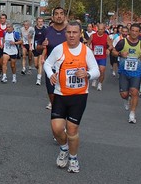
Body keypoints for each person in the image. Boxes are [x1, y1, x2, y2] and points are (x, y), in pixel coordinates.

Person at [43, 21, 99, 173]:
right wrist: (51, 75)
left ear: (80, 33)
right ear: (65, 33)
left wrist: (87, 74)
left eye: (75, 32)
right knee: (56, 129)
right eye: (69, 32)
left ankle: (73, 159)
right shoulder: (59, 49)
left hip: (79, 96)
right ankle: (64, 148)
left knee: (72, 130)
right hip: (60, 94)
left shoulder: (86, 51)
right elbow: (47, 64)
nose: (71, 35)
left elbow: (96, 70)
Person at [112, 23, 141, 123]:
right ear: (129, 31)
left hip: (136, 73)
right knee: (124, 94)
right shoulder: (122, 42)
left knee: (134, 92)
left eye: (137, 31)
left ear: (139, 33)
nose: (134, 33)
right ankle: (126, 99)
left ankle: (132, 114)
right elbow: (113, 52)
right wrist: (120, 53)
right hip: (124, 72)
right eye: (132, 30)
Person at [42, 7, 68, 109]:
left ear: (64, 16)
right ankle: (58, 113)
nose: (59, 16)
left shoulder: (69, 31)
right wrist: (42, 45)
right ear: (53, 17)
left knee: (66, 96)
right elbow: (38, 48)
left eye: (61, 13)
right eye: (56, 14)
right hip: (51, 68)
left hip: (67, 67)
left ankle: (63, 118)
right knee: (52, 96)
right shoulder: (47, 31)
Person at [87, 23, 112, 91]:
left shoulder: (106, 37)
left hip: (102, 56)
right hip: (94, 56)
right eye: (99, 29)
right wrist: (90, 49)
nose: (100, 31)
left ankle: (100, 84)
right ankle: (95, 79)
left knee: (102, 70)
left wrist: (108, 49)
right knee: (95, 69)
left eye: (101, 29)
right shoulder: (93, 36)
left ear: (104, 29)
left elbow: (111, 45)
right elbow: (87, 44)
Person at [33, 17, 47, 85]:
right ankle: (39, 70)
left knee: (40, 63)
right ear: (36, 22)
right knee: (36, 65)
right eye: (39, 21)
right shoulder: (33, 29)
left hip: (42, 48)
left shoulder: (45, 30)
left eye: (41, 21)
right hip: (35, 48)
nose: (40, 23)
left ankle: (38, 79)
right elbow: (30, 37)